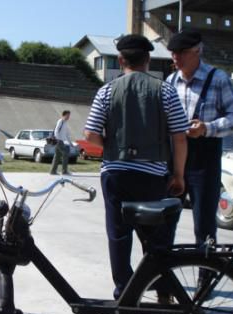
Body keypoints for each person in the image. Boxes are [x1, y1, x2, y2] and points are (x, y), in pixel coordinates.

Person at [84, 34, 188, 300]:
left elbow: (90, 135)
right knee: (155, 236)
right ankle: (163, 289)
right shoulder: (165, 90)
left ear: (120, 60)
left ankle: (124, 292)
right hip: (152, 175)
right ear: (148, 59)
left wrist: (112, 145)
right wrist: (178, 174)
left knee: (119, 235)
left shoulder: (107, 90)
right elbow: (179, 136)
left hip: (116, 174)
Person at [167, 29, 233, 247]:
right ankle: (162, 277)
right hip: (174, 157)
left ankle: (206, 275)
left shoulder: (218, 79)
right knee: (164, 220)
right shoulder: (171, 80)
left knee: (204, 223)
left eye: (181, 52)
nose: (176, 57)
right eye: (173, 53)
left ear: (197, 51)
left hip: (204, 160)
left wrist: (207, 128)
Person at [50, 110, 73, 175]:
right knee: (66, 153)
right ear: (64, 115)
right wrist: (57, 140)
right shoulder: (61, 121)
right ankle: (64, 171)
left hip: (61, 141)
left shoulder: (65, 123)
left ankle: (53, 171)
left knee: (57, 156)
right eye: (68, 115)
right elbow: (56, 131)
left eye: (69, 115)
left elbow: (67, 134)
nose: (69, 117)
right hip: (59, 141)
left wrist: (70, 143)